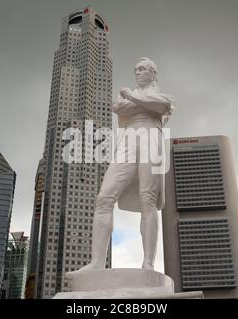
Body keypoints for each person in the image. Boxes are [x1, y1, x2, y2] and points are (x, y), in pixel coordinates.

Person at [74, 57, 174, 273]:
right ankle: (97, 263)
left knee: (148, 200)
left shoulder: (159, 95)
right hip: (128, 140)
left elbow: (162, 106)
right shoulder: (138, 96)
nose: (137, 73)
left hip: (152, 138)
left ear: (153, 73)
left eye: (142, 69)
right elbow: (118, 108)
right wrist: (137, 103)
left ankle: (148, 263)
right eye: (135, 69)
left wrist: (130, 98)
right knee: (104, 198)